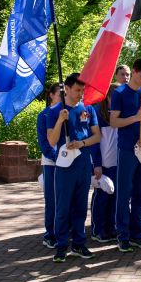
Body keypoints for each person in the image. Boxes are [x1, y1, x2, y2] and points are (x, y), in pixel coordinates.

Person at [47, 73, 100, 262]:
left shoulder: (89, 109)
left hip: (83, 164)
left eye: (82, 90)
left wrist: (82, 143)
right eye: (77, 90)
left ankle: (79, 244)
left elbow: (97, 136)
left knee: (80, 207)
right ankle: (61, 246)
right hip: (64, 167)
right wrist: (61, 121)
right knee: (62, 208)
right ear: (66, 90)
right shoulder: (54, 111)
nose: (80, 94)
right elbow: (51, 140)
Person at [110, 58, 141, 252]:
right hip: (127, 149)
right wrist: (134, 118)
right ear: (137, 72)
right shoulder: (120, 93)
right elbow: (114, 121)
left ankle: (138, 233)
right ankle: (123, 234)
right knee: (124, 192)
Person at [90, 83, 119, 244]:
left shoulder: (120, 114)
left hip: (117, 162)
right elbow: (94, 143)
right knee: (102, 197)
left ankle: (111, 226)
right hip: (103, 163)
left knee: (114, 196)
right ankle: (97, 229)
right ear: (107, 98)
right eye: (114, 98)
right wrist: (97, 163)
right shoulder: (97, 113)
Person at [36, 83, 61, 249]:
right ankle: (50, 234)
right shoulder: (44, 115)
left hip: (68, 162)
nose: (64, 95)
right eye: (60, 93)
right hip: (52, 163)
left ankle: (65, 230)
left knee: (66, 199)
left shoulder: (68, 112)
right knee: (52, 199)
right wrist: (56, 158)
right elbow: (44, 143)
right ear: (51, 95)